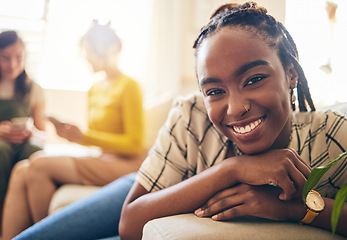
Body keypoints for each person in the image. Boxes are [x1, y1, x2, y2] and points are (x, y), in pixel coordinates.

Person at [118, 2, 347, 239]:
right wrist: (231, 170)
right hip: (159, 183)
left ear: (291, 74)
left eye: (254, 79)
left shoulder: (332, 136)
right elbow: (129, 224)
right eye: (215, 91)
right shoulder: (190, 116)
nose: (236, 108)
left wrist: (292, 208)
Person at [1, 20, 146, 240]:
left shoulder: (129, 86)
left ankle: (48, 235)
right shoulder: (95, 89)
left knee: (39, 164)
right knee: (22, 169)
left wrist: (83, 137)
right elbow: (95, 139)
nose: (86, 57)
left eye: (89, 51)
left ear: (108, 50)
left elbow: (135, 143)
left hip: (127, 163)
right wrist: (72, 136)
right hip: (100, 158)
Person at [0, 30, 45, 227]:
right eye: (5, 58)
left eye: (19, 57)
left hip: (21, 145)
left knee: (34, 152)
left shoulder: (33, 88)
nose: (13, 64)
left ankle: (27, 220)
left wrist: (30, 132)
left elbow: (42, 131)